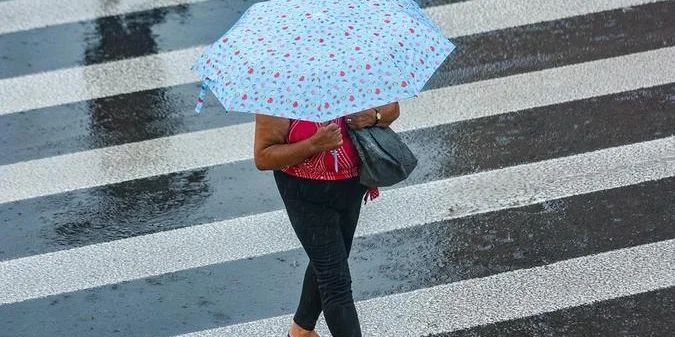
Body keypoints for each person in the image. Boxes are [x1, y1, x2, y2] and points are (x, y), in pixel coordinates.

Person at [253, 102, 400, 337]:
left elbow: (393, 109)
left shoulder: (355, 70)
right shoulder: (279, 92)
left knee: (333, 260)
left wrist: (373, 116)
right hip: (304, 192)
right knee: (336, 282)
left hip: (352, 184)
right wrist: (313, 144)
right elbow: (263, 157)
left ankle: (301, 330)